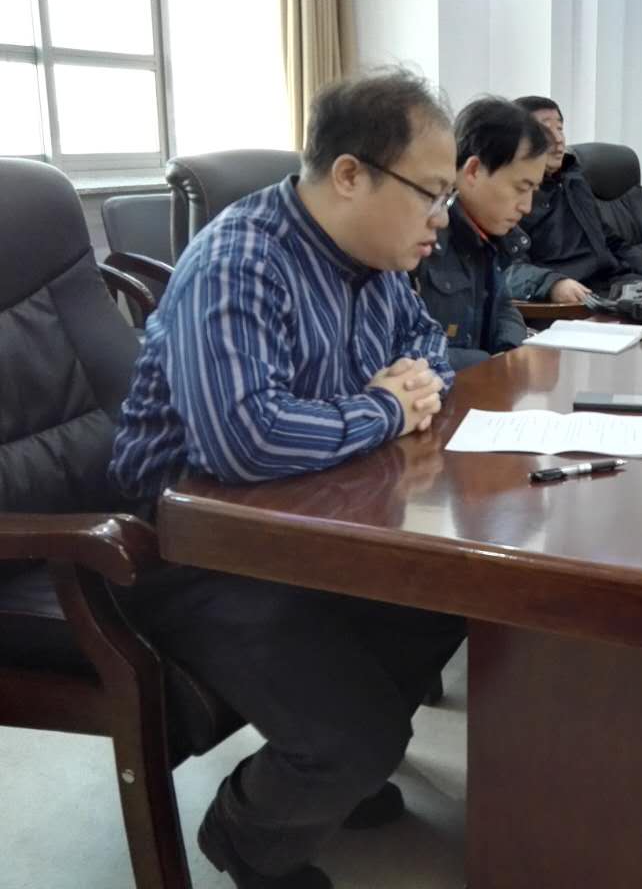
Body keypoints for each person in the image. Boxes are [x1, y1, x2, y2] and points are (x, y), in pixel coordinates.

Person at [108, 68, 467, 889]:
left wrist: (401, 391)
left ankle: (333, 779)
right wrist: (382, 408)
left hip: (306, 525)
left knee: (444, 604)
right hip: (188, 553)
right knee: (355, 737)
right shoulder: (239, 262)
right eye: (431, 194)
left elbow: (428, 351)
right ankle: (245, 838)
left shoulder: (379, 260)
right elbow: (243, 440)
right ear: (350, 175)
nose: (442, 219)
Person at [415, 96, 546, 370]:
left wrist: (509, 352)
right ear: (473, 171)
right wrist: (488, 364)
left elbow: (503, 307)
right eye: (521, 188)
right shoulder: (417, 236)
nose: (527, 206)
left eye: (533, 190)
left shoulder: (490, 236)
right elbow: (404, 352)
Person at [507, 94, 642, 303]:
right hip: (572, 299)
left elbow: (607, 238)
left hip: (615, 286)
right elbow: (506, 269)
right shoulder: (511, 195)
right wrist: (553, 285)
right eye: (545, 130)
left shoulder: (573, 178)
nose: (558, 139)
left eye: (560, 129)